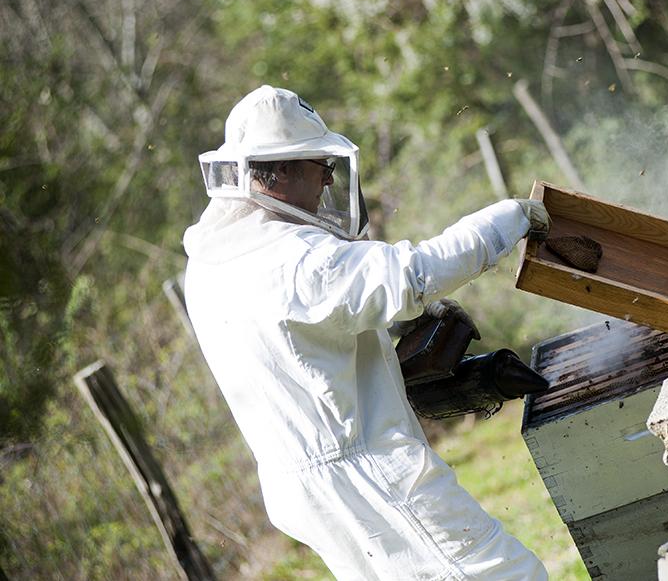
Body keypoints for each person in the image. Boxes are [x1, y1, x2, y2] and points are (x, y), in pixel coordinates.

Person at [182, 85, 550, 580]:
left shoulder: (212, 261)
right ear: (281, 169)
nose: (328, 177)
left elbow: (303, 332)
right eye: (320, 163)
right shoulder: (294, 258)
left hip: (307, 487)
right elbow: (412, 274)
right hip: (368, 474)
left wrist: (389, 325)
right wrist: (510, 219)